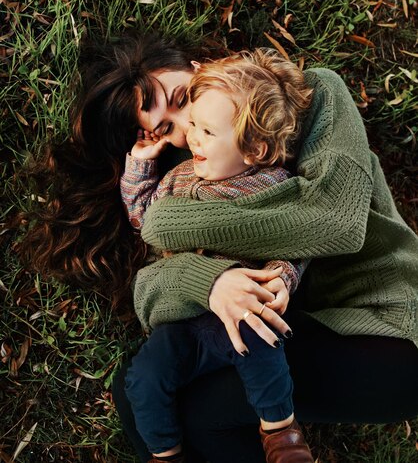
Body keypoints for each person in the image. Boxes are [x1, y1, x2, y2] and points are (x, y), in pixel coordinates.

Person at [21, 32, 418, 463]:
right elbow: (151, 293)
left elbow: (336, 223)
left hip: (389, 322)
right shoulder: (196, 172)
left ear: (201, 66)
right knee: (137, 390)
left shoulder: (315, 94)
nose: (188, 123)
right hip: (298, 327)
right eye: (169, 127)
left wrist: (168, 223)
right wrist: (212, 282)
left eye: (182, 96)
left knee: (202, 410)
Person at [119, 49, 314, 463]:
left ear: (255, 149)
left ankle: (281, 435)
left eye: (206, 131)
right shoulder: (178, 177)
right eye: (175, 128)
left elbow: (292, 243)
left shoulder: (270, 185)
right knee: (144, 378)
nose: (190, 135)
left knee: (264, 343)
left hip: (242, 309)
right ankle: (164, 452)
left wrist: (281, 276)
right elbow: (145, 220)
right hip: (183, 316)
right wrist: (139, 166)